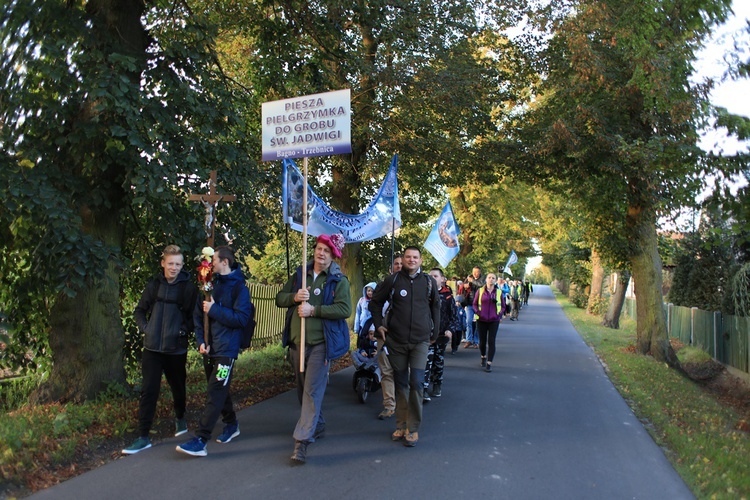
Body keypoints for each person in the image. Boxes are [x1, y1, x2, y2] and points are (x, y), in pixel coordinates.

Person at [275, 234, 351, 464]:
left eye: (326, 251)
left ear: (333, 255)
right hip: (298, 343)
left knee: (311, 391)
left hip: (321, 345)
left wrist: (314, 311)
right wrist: (295, 296)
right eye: (319, 248)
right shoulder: (300, 274)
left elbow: (344, 309)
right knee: (302, 390)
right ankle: (316, 424)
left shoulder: (339, 280)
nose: (321, 253)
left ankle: (301, 443)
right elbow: (279, 299)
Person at [123, 245, 198, 455]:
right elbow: (140, 311)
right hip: (152, 348)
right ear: (163, 263)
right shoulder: (154, 285)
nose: (174, 268)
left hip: (175, 349)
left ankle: (180, 417)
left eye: (178, 264)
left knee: (178, 387)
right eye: (171, 263)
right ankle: (143, 435)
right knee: (149, 390)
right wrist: (146, 329)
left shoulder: (188, 288)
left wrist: (183, 332)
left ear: (182, 266)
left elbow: (195, 317)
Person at [177, 246, 251, 457]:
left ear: (225, 262)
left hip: (227, 351)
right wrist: (201, 340)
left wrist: (215, 309)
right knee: (219, 388)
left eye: (214, 260)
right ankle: (231, 423)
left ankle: (201, 439)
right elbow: (199, 316)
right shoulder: (210, 285)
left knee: (216, 389)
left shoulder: (239, 289)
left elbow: (241, 319)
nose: (211, 264)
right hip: (210, 348)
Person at [369, 246, 440, 447]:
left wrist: (435, 332)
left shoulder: (428, 282)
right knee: (401, 384)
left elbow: (435, 306)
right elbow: (374, 303)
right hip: (396, 342)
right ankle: (400, 424)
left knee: (416, 383)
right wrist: (379, 325)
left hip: (420, 341)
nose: (411, 260)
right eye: (407, 257)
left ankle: (413, 428)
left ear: (421, 260)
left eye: (415, 257)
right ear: (403, 259)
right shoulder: (392, 281)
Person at [423, 268, 459, 399]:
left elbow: (454, 318)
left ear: (442, 279)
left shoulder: (448, 296)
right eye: (430, 276)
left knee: (438, 361)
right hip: (426, 335)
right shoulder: (423, 294)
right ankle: (424, 388)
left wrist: (450, 329)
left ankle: (437, 383)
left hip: (441, 336)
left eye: (436, 276)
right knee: (426, 361)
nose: (433, 278)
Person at [374, 254, 401, 420]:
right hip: (384, 335)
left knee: (404, 372)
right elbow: (374, 307)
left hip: (403, 337)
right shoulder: (382, 286)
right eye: (395, 264)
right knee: (386, 371)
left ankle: (404, 403)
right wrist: (376, 326)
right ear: (391, 268)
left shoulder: (410, 287)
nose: (399, 266)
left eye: (401, 263)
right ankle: (389, 405)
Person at [474, 273, 504, 373]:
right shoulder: (480, 291)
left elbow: (503, 306)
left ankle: (489, 363)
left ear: (495, 280)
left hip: (494, 320)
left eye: (493, 278)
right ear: (486, 279)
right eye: (489, 278)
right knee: (482, 342)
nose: (491, 280)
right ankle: (483, 356)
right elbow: (474, 304)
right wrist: (478, 313)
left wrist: (499, 315)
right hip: (481, 320)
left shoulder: (499, 292)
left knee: (491, 341)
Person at [463, 266, 483, 348]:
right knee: (468, 321)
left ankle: (476, 341)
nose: (475, 273)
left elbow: (482, 286)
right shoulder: (469, 278)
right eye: (474, 271)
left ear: (480, 272)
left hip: (479, 304)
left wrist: (473, 281)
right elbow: (463, 289)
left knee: (478, 323)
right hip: (470, 303)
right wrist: (465, 286)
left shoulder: (483, 279)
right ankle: (468, 340)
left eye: (477, 272)